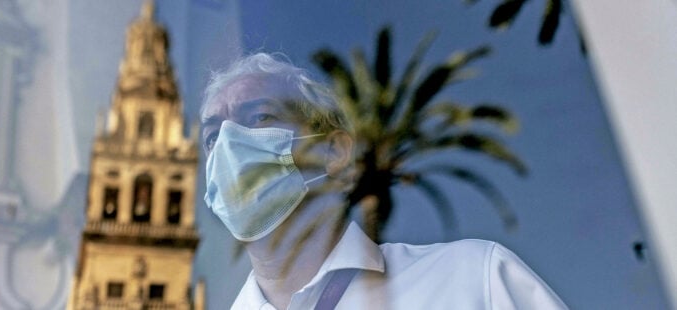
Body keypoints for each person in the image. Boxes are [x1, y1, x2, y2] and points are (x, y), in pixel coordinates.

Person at [200, 53, 567, 310]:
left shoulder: (474, 280)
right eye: (213, 137)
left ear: (335, 152)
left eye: (259, 117)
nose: (229, 145)